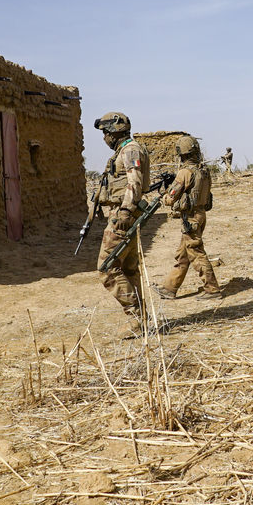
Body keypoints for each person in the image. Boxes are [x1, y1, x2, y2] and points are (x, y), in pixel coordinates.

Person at [93, 111, 151, 340]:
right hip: (124, 212)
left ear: (114, 131)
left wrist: (125, 211)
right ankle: (140, 321)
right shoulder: (125, 150)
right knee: (128, 268)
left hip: (123, 214)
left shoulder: (130, 150)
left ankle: (135, 317)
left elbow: (134, 182)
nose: (104, 138)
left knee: (106, 267)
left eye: (106, 133)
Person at [153, 137, 222, 300]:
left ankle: (212, 289)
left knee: (196, 253)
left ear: (181, 154)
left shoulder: (185, 172)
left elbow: (171, 198)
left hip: (190, 218)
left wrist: (164, 195)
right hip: (200, 215)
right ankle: (170, 288)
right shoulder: (204, 171)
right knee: (183, 254)